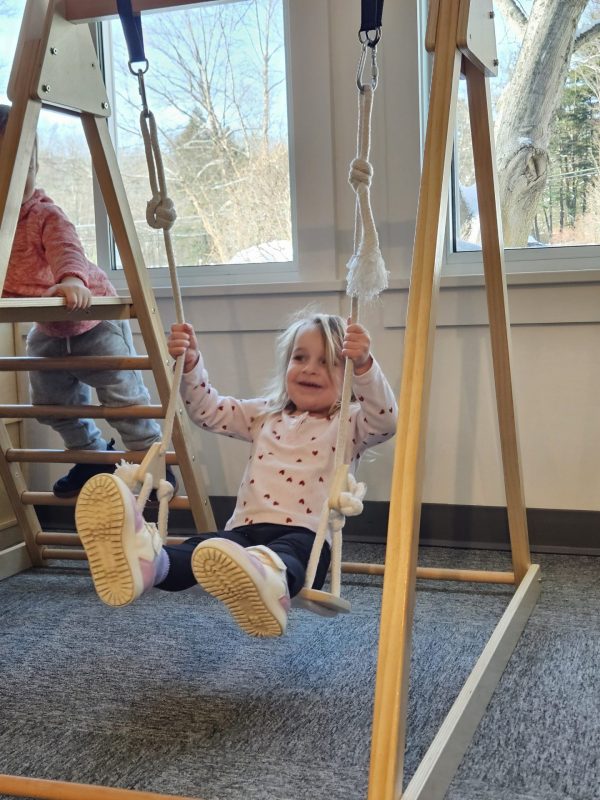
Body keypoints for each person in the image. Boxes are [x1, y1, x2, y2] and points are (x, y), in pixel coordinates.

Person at [75, 312, 398, 637]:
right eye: (300, 357)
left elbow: (385, 420)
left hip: (306, 537)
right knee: (204, 550)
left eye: (328, 362)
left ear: (350, 376)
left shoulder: (349, 423)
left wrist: (365, 366)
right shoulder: (265, 414)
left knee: (288, 555)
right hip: (244, 532)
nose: (310, 368)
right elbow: (208, 410)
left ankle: (270, 583)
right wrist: (191, 364)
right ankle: (149, 562)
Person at [0, 104, 176, 498]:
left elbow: (66, 248)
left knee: (123, 400)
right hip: (49, 329)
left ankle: (152, 462)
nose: (17, 181)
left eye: (25, 169)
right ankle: (91, 456)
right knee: (49, 404)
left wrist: (70, 280)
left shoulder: (43, 214)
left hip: (93, 318)